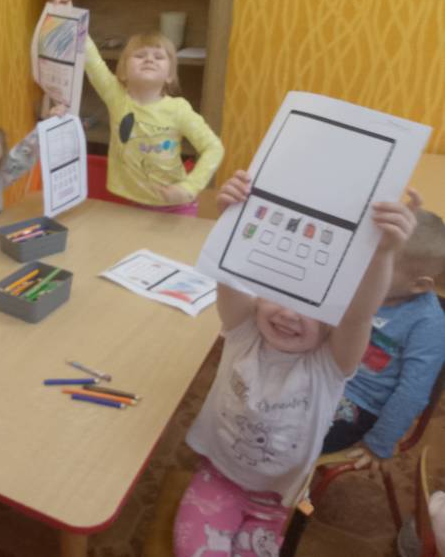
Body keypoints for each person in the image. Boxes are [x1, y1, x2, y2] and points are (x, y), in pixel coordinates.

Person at [173, 170, 419, 556]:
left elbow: (358, 315)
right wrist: (231, 218)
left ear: (333, 320)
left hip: (276, 498)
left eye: (311, 309)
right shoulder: (243, 330)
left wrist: (384, 253)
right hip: (218, 478)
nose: (288, 314)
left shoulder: (329, 364)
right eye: (278, 295)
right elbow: (229, 275)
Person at [52, 0, 223, 216]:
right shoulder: (116, 96)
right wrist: (71, 15)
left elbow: (214, 147)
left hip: (176, 206)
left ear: (170, 75)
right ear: (123, 71)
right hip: (130, 203)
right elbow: (91, 59)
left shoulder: (179, 109)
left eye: (158, 57)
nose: (149, 59)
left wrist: (189, 188)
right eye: (140, 55)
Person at [322, 209, 445, 458]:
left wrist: (378, 444)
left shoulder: (429, 324)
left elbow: (412, 393)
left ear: (419, 285)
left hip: (357, 402)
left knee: (288, 437)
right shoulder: (357, 284)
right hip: (321, 374)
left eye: (380, 263)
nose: (362, 269)